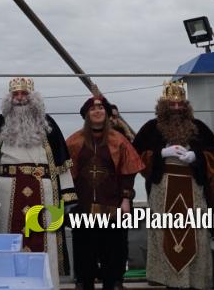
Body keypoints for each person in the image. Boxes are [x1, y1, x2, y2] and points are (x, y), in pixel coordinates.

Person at [132, 81, 214, 290]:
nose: (176, 108)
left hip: (193, 190)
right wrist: (159, 154)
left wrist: (196, 156)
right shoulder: (151, 128)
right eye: (171, 104)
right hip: (161, 192)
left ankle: (194, 282)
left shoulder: (199, 128)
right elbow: (135, 157)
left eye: (180, 104)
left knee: (196, 233)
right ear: (163, 106)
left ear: (186, 106)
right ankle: (170, 282)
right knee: (164, 235)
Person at [0, 77, 76, 284]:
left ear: (33, 97)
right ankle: (7, 285)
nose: (20, 98)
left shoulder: (48, 124)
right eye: (15, 94)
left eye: (24, 93)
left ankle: (45, 284)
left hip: (44, 192)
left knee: (44, 240)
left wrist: (68, 198)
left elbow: (61, 164)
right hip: (5, 193)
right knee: (7, 242)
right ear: (9, 98)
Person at [66, 94, 144, 290]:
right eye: (93, 109)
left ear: (107, 114)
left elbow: (129, 172)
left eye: (101, 108)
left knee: (113, 253)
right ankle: (85, 283)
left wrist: (125, 199)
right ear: (86, 115)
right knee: (84, 254)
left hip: (112, 206)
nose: (97, 111)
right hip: (83, 207)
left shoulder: (119, 140)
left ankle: (113, 284)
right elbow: (65, 173)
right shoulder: (74, 141)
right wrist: (68, 202)